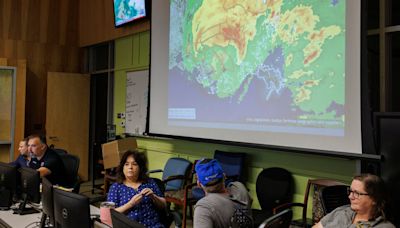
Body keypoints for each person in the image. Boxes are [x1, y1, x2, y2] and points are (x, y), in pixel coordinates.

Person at [107, 150, 167, 228]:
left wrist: (153, 196)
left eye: (134, 164)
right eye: (126, 164)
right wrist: (130, 204)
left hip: (153, 226)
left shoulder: (149, 182)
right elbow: (110, 213)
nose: (130, 167)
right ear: (122, 167)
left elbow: (164, 205)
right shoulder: (116, 187)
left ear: (140, 168)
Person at [313, 173, 395, 228]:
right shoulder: (342, 211)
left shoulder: (383, 226)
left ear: (375, 199)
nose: (350, 196)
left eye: (357, 193)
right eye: (350, 191)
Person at [193, 158, 253, 228]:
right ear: (224, 176)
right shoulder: (239, 187)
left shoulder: (204, 208)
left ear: (199, 184)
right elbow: (250, 200)